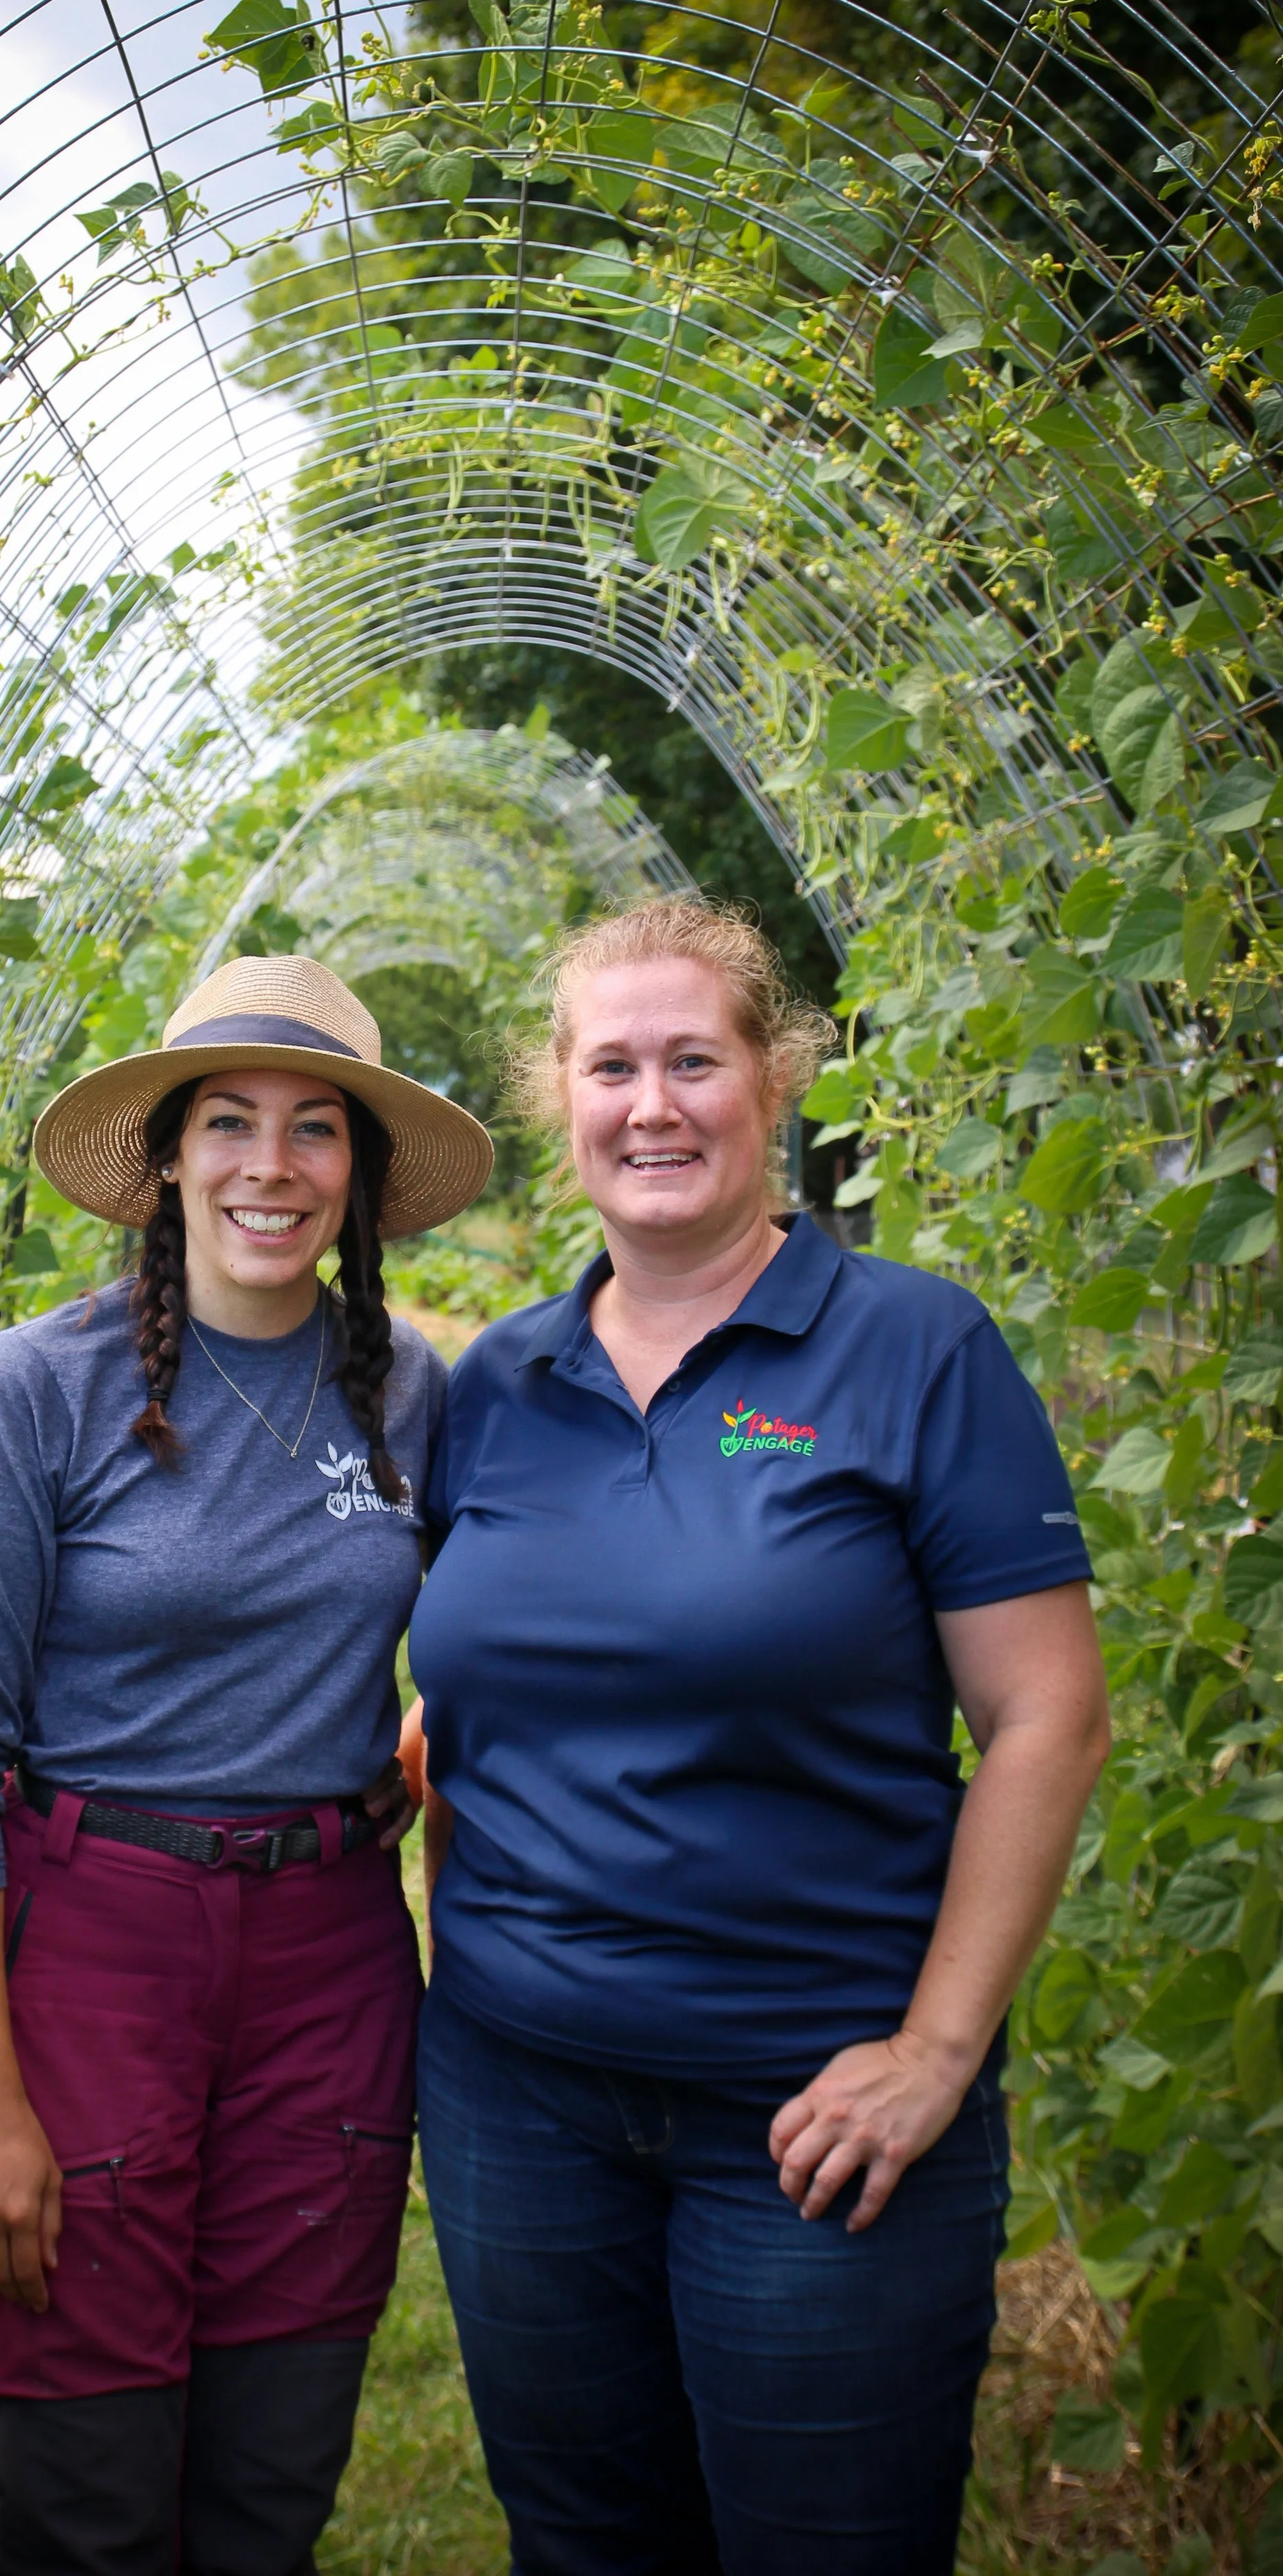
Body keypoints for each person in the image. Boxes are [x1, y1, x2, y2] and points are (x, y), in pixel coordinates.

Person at [402, 898, 1111, 2576]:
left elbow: (1044, 1716)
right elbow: (480, 1678)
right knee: (583, 2544)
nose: (651, 1105)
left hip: (812, 2114)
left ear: (773, 1082)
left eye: (692, 1061)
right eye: (610, 1066)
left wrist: (935, 2052)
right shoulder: (491, 1384)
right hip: (519, 2100)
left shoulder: (911, 1352)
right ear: (555, 1100)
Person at [0, 952, 492, 2576]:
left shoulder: (412, 1395)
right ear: (165, 1157)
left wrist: (430, 1735)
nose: (268, 1166)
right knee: (84, 2495)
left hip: (328, 1962)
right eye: (228, 1122)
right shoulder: (37, 1395)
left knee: (268, 2482)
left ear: (357, 1175)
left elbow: (513, 1618)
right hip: (90, 1951)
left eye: (314, 1130)